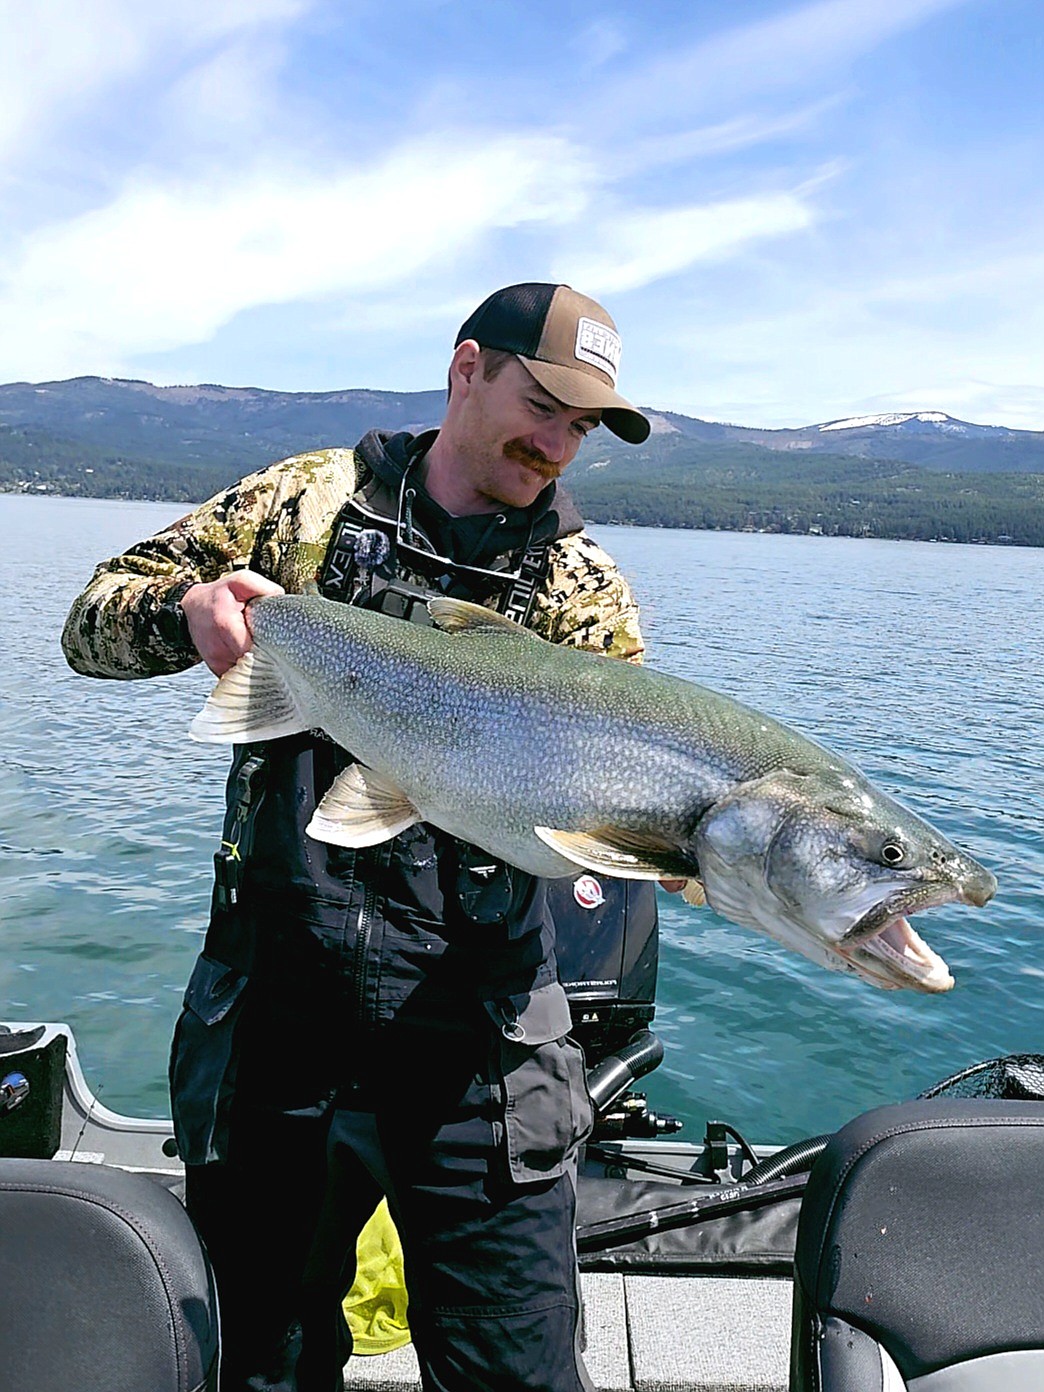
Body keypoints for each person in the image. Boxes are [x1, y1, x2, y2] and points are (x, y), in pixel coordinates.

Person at [62, 282, 653, 1392]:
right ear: (466, 368)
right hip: (276, 1024)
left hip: (484, 1046)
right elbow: (91, 622)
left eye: (581, 427)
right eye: (545, 405)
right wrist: (182, 615)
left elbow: (602, 815)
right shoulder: (302, 506)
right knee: (263, 1366)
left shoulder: (583, 594)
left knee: (518, 1374)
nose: (558, 444)